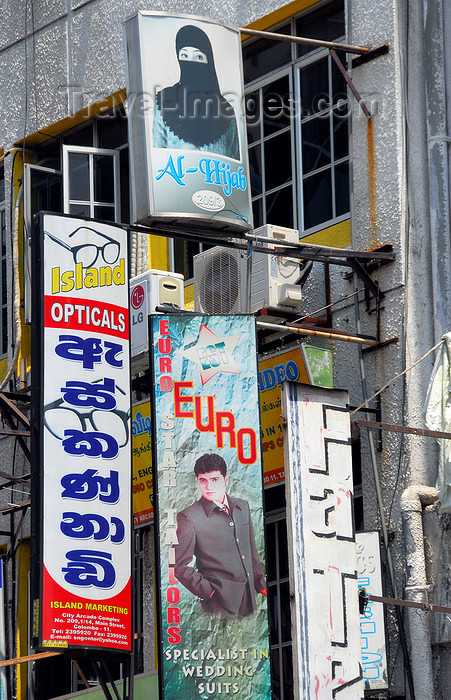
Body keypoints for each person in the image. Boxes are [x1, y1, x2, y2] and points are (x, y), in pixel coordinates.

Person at [174, 453, 267, 617]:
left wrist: (261, 583)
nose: (208, 486)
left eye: (214, 480)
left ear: (225, 480)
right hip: (219, 606)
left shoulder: (242, 506)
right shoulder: (189, 517)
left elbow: (251, 550)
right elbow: (179, 565)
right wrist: (209, 593)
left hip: (251, 599)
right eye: (203, 481)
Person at [152, 25, 240, 159]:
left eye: (198, 57)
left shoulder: (225, 110)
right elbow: (157, 157)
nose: (190, 63)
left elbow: (234, 159)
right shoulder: (165, 101)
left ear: (208, 60)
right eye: (184, 55)